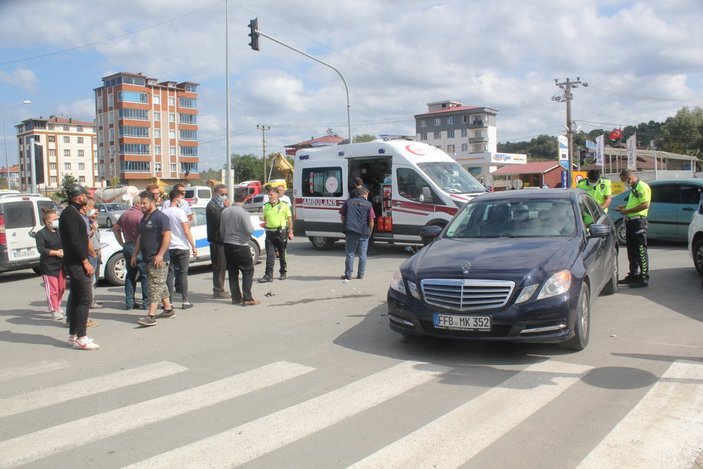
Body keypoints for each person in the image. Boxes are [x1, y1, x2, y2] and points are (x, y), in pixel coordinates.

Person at [59, 184, 99, 350]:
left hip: (76, 261)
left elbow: (80, 238)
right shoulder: (70, 214)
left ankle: (73, 335)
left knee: (76, 297)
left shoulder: (72, 213)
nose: (86, 197)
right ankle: (82, 337)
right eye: (84, 194)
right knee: (85, 299)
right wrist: (85, 261)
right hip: (76, 262)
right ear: (78, 197)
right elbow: (75, 241)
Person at [132, 190, 174, 326]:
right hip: (147, 257)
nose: (142, 206)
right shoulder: (144, 218)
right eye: (140, 203)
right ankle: (168, 310)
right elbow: (140, 237)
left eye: (144, 203)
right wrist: (134, 254)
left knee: (154, 286)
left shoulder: (160, 217)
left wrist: (160, 254)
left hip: (159, 259)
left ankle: (151, 316)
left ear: (152, 202)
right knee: (159, 285)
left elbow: (167, 236)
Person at [220, 190, 260, 305]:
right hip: (241, 244)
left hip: (228, 244)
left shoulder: (225, 211)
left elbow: (222, 230)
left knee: (233, 272)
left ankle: (236, 297)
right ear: (246, 198)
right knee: (248, 271)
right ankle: (247, 297)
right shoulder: (243, 212)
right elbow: (249, 230)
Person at [163, 189, 197, 309]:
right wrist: (193, 245)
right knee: (183, 274)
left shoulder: (164, 212)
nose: (182, 200)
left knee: (169, 274)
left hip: (168, 246)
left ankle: (170, 302)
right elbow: (186, 231)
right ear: (176, 199)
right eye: (181, 198)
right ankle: (185, 301)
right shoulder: (180, 212)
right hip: (182, 247)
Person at [616, 169, 651, 288]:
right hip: (631, 222)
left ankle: (644, 278)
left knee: (641, 250)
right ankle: (633, 275)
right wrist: (624, 207)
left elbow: (645, 204)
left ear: (629, 179)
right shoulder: (633, 189)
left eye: (625, 181)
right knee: (631, 251)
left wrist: (627, 210)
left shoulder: (642, 187)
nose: (625, 184)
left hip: (639, 222)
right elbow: (635, 204)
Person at [113, 196, 149, 310]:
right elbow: (144, 234)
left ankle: (129, 302)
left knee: (130, 275)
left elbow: (115, 228)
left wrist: (121, 243)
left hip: (128, 246)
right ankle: (146, 303)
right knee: (144, 276)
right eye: (142, 203)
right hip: (139, 247)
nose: (143, 206)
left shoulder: (125, 214)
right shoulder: (141, 216)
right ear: (138, 203)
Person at [35, 208, 66, 321]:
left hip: (61, 264)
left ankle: (58, 304)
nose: (57, 221)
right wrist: (56, 253)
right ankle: (54, 309)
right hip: (48, 265)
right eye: (54, 219)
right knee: (52, 289)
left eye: (57, 218)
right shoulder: (41, 234)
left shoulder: (59, 231)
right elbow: (41, 249)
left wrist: (63, 251)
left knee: (61, 287)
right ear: (47, 221)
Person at [339, 186, 375, 280]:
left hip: (351, 231)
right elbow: (371, 220)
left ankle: (348, 274)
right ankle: (361, 274)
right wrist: (370, 231)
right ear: (365, 194)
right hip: (364, 231)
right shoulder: (368, 204)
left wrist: (347, 224)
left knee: (350, 254)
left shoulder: (348, 202)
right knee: (363, 255)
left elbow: (342, 217)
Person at [259, 188, 294, 282]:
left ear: (276, 194)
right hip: (269, 233)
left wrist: (290, 232)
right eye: (268, 195)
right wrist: (263, 220)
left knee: (282, 254)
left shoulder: (284, 205)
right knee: (270, 255)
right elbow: (266, 218)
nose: (269, 197)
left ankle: (283, 272)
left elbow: (289, 219)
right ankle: (268, 275)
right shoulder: (266, 206)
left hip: (280, 233)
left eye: (271, 195)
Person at [206, 184, 231, 299]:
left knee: (223, 266)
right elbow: (218, 219)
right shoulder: (211, 205)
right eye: (222, 194)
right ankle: (218, 290)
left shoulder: (219, 204)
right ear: (216, 193)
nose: (224, 196)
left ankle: (220, 288)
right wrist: (226, 208)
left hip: (223, 240)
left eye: (226, 194)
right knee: (219, 267)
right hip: (216, 241)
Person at [86, 199, 104, 310]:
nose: (95, 215)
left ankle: (93, 298)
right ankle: (90, 301)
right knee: (91, 280)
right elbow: (86, 238)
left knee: (95, 279)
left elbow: (98, 241)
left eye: (97, 213)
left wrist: (100, 253)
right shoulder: (87, 224)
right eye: (94, 213)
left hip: (96, 254)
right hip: (90, 254)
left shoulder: (94, 224)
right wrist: (92, 230)